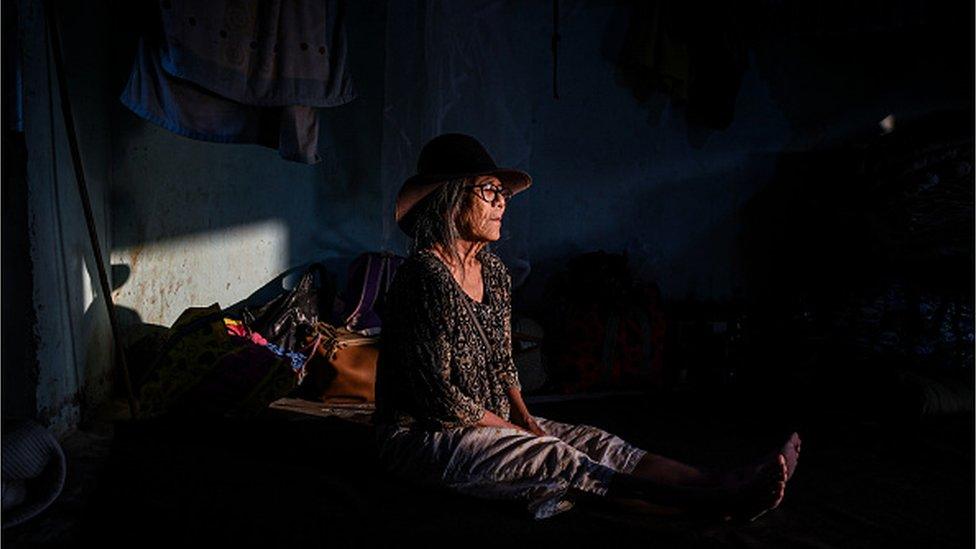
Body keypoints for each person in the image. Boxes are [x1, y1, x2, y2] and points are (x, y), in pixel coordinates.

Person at [373, 133, 800, 520]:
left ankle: (722, 481)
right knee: (558, 459)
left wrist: (526, 420)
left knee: (597, 444)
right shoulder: (424, 277)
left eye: (502, 192)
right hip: (425, 438)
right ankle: (705, 507)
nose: (501, 201)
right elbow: (440, 399)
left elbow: (504, 363)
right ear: (450, 198)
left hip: (490, 420)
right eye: (488, 191)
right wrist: (519, 432)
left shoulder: (495, 272)